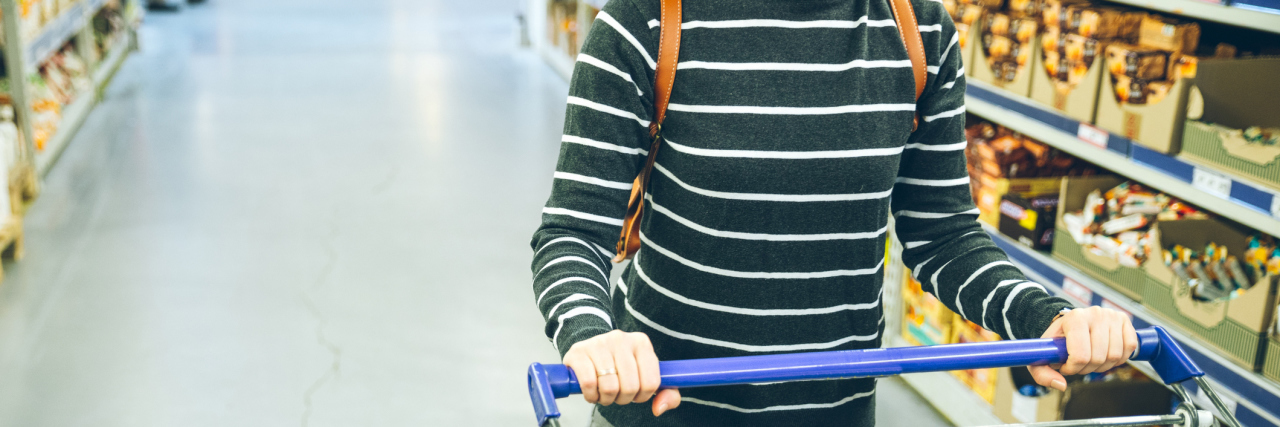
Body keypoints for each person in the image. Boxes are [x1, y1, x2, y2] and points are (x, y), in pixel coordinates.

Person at [530, 0, 1137, 426]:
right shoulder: (647, 23)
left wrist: (1043, 315)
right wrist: (593, 334)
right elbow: (573, 231)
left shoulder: (918, 31)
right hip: (664, 406)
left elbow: (944, 235)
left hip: (836, 409)